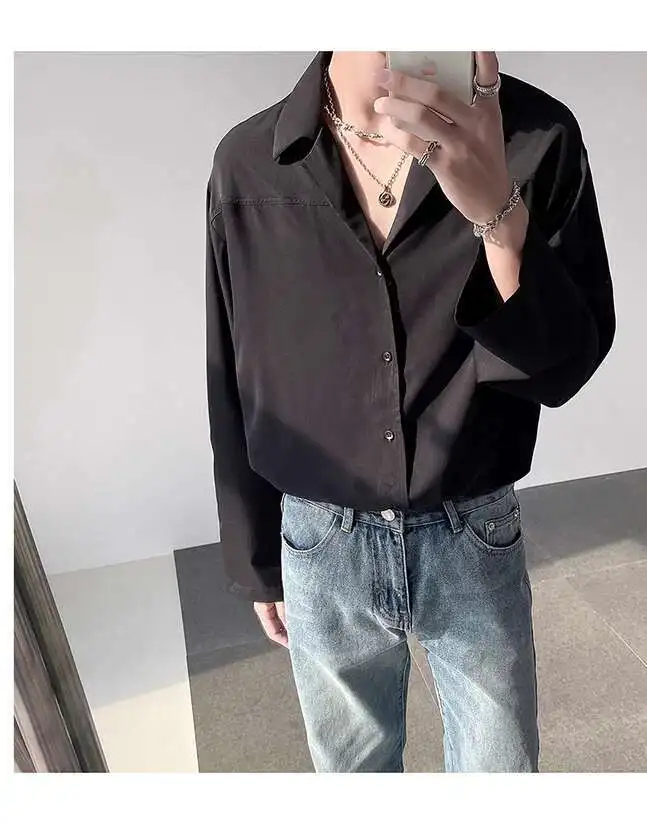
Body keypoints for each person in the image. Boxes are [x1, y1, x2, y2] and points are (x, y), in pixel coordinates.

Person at [205, 50, 615, 772]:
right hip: (321, 541)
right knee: (352, 772)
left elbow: (564, 366)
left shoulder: (534, 137)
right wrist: (255, 555)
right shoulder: (249, 163)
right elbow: (236, 367)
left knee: (500, 768)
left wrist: (498, 214)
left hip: (472, 525)